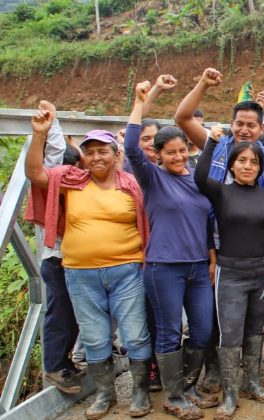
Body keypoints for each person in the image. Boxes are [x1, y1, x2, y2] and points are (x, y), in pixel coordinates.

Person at [25, 112, 152, 419]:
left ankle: (139, 393)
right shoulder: (70, 181)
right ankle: (105, 394)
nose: (96, 157)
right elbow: (35, 173)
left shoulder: (131, 185)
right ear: (83, 156)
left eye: (103, 151)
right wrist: (40, 134)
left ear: (116, 154)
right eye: (90, 151)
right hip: (80, 275)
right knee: (95, 336)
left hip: (126, 271)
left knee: (135, 333)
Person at [127, 77, 218, 418]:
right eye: (171, 152)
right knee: (168, 332)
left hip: (197, 267)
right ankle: (174, 395)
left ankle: (189, 385)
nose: (179, 156)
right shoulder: (151, 178)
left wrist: (210, 259)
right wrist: (145, 100)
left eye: (183, 150)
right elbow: (132, 148)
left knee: (204, 328)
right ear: (159, 155)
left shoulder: (198, 180)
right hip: (164, 267)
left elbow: (208, 224)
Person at [194, 127, 264, 419]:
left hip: (263, 272)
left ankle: (253, 382)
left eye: (254, 162)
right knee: (230, 334)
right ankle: (230, 393)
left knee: (256, 330)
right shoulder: (221, 192)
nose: (248, 166)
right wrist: (211, 142)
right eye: (242, 161)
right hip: (230, 273)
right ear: (232, 164)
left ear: (261, 167)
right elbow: (199, 177)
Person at [32, 101, 85, 394]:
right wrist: (52, 127)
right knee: (61, 312)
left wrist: (58, 125)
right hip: (58, 259)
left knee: (71, 314)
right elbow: (52, 158)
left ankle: (63, 362)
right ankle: (54, 366)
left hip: (72, 259)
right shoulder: (57, 183)